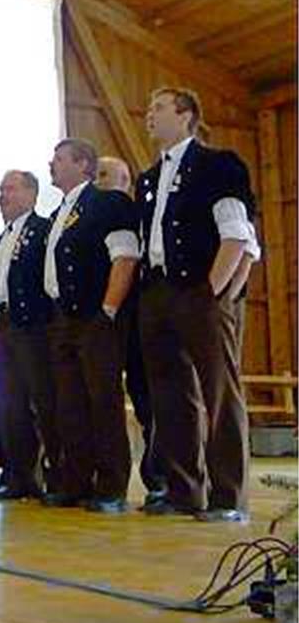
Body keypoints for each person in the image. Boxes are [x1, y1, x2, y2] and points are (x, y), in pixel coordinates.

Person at [137, 87, 256, 522]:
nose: (149, 115)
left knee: (219, 392)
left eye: (159, 107)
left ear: (186, 114)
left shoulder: (217, 165)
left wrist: (213, 292)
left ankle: (228, 497)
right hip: (157, 292)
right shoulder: (148, 178)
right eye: (149, 109)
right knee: (169, 395)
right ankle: (184, 490)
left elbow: (237, 234)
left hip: (200, 291)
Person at [41, 138, 139, 514]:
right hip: (63, 317)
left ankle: (112, 486)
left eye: (59, 159)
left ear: (83, 165)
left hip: (95, 317)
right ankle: (77, 482)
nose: (51, 164)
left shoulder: (108, 203)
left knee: (103, 401)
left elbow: (125, 258)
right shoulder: (59, 213)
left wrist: (108, 311)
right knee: (70, 404)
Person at [96, 155, 166, 506]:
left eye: (104, 175)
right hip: (100, 321)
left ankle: (159, 478)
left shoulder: (136, 214)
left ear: (126, 182)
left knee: (148, 400)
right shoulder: (88, 218)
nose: (98, 181)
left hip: (137, 317)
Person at [0, 170, 55, 500]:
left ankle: (50, 475)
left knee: (40, 401)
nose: (3, 195)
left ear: (31, 194)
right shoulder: (2, 237)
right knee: (7, 403)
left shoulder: (42, 230)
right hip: (3, 324)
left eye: (10, 189)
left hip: (33, 325)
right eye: (1, 190)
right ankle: (16, 474)